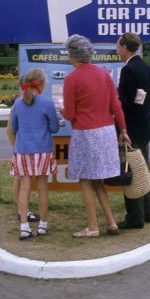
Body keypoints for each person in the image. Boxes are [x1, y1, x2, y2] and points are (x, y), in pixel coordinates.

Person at [61, 34, 130, 238]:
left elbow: (71, 114)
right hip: (107, 131)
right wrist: (124, 130)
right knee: (97, 180)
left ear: (73, 54)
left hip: (86, 133)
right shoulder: (104, 74)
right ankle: (111, 222)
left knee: (85, 179)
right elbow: (115, 105)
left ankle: (92, 227)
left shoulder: (71, 79)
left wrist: (61, 111)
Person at [10, 68, 60, 240]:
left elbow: (14, 128)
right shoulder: (47, 103)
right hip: (43, 151)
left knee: (24, 188)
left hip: (23, 151)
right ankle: (43, 225)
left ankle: (24, 226)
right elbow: (54, 128)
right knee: (42, 189)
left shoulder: (17, 104)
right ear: (42, 85)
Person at [116, 32, 150, 229]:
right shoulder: (146, 68)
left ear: (124, 47)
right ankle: (148, 212)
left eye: (118, 47)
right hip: (144, 126)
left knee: (132, 172)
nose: (117, 51)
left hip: (131, 128)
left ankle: (135, 217)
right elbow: (142, 98)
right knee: (144, 169)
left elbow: (124, 103)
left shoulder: (128, 70)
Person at [7, 76, 39, 224]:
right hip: (22, 148)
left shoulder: (20, 104)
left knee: (22, 179)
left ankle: (23, 210)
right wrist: (15, 149)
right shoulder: (19, 105)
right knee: (20, 179)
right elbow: (10, 129)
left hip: (23, 148)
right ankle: (22, 211)